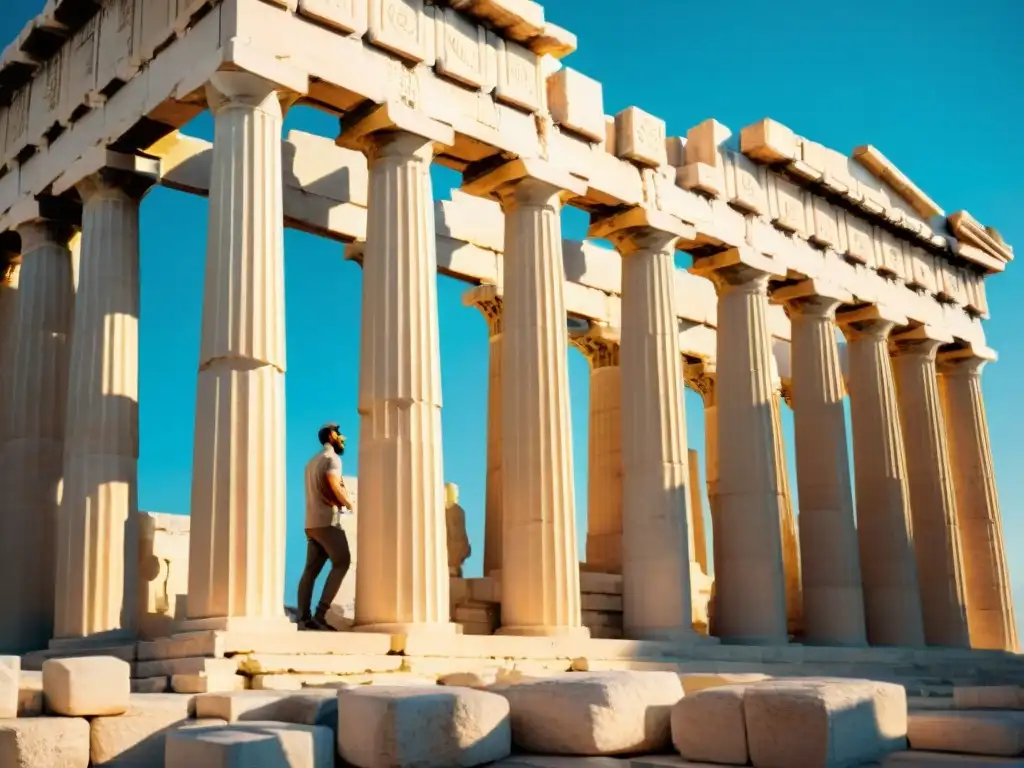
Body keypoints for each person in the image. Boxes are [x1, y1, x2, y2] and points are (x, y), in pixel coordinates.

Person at [296, 422, 355, 631]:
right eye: (340, 435)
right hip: (327, 521)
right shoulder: (332, 459)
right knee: (343, 561)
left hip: (311, 523)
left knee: (310, 571)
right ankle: (320, 615)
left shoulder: (311, 462)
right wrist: (347, 503)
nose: (343, 439)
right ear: (331, 435)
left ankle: (303, 619)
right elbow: (331, 483)